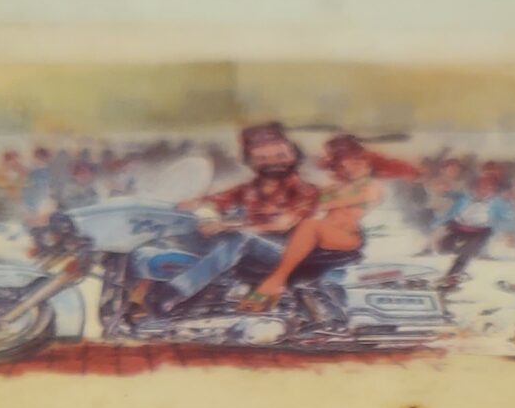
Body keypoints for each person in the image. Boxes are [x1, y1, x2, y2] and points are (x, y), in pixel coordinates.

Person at [156, 121, 320, 311]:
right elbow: (211, 201)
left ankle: (175, 292)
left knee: (242, 238)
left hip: (288, 252)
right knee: (199, 235)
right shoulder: (248, 189)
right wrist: (197, 210)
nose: (273, 163)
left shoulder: (305, 190)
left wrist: (226, 225)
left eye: (280, 156)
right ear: (251, 161)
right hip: (254, 247)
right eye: (262, 158)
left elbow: (283, 223)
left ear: (294, 156)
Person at [245, 133, 420, 306]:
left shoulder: (371, 187)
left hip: (346, 239)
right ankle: (265, 297)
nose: (350, 168)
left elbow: (354, 200)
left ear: (368, 163)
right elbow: (300, 211)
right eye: (342, 164)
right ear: (336, 166)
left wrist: (316, 206)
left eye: (358, 163)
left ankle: (276, 281)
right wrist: (261, 224)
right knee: (285, 233)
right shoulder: (331, 189)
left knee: (310, 224)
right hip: (320, 237)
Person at [432, 161, 497, 286]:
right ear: (474, 189)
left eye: (489, 189)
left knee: (467, 253)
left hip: (480, 232)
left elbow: (505, 217)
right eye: (481, 188)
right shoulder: (465, 197)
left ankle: (452, 276)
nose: (484, 191)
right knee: (443, 248)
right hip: (458, 227)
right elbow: (452, 194)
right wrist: (443, 191)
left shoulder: (495, 203)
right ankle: (457, 253)